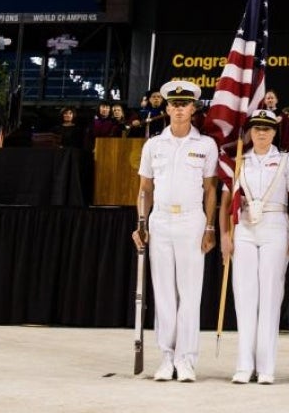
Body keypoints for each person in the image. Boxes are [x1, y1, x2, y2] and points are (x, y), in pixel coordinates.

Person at [130, 80, 219, 382]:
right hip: (160, 221)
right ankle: (167, 357)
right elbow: (144, 188)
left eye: (185, 104)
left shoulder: (206, 145)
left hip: (191, 221)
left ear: (193, 109)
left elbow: (210, 190)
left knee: (190, 293)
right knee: (164, 293)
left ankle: (187, 359)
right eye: (174, 104)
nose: (179, 109)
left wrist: (209, 226)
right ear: (166, 108)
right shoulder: (153, 145)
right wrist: (141, 224)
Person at [219, 109, 289, 385]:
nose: (262, 133)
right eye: (256, 128)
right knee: (244, 295)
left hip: (275, 224)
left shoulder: (286, 161)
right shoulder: (238, 161)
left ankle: (266, 365)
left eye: (267, 128)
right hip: (244, 225)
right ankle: (244, 364)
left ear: (275, 132)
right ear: (249, 132)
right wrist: (224, 234)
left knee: (270, 294)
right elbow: (226, 200)